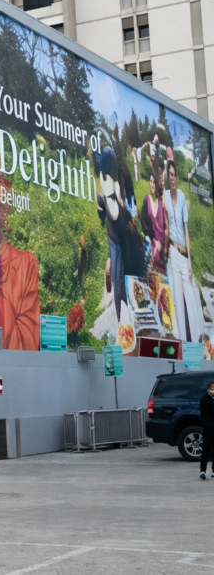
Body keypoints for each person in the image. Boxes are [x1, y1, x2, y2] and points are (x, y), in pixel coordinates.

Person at [164, 161, 203, 342]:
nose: (173, 178)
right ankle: (184, 344)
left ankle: (197, 341)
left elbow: (186, 230)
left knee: (190, 298)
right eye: (170, 175)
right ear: (167, 176)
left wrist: (189, 260)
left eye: (174, 175)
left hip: (183, 253)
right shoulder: (164, 197)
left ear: (177, 177)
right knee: (178, 299)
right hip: (172, 250)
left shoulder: (181, 197)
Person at [139, 166, 169, 275]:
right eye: (150, 181)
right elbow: (143, 222)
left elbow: (167, 227)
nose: (151, 185)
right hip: (153, 244)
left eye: (154, 182)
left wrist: (163, 246)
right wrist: (154, 240)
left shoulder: (162, 203)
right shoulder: (146, 200)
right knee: (150, 277)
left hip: (163, 247)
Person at [201, 382, 214, 480]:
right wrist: (205, 426)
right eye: (212, 389)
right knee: (206, 448)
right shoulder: (205, 400)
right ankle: (203, 471)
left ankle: (213, 471)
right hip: (209, 428)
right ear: (208, 390)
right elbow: (204, 416)